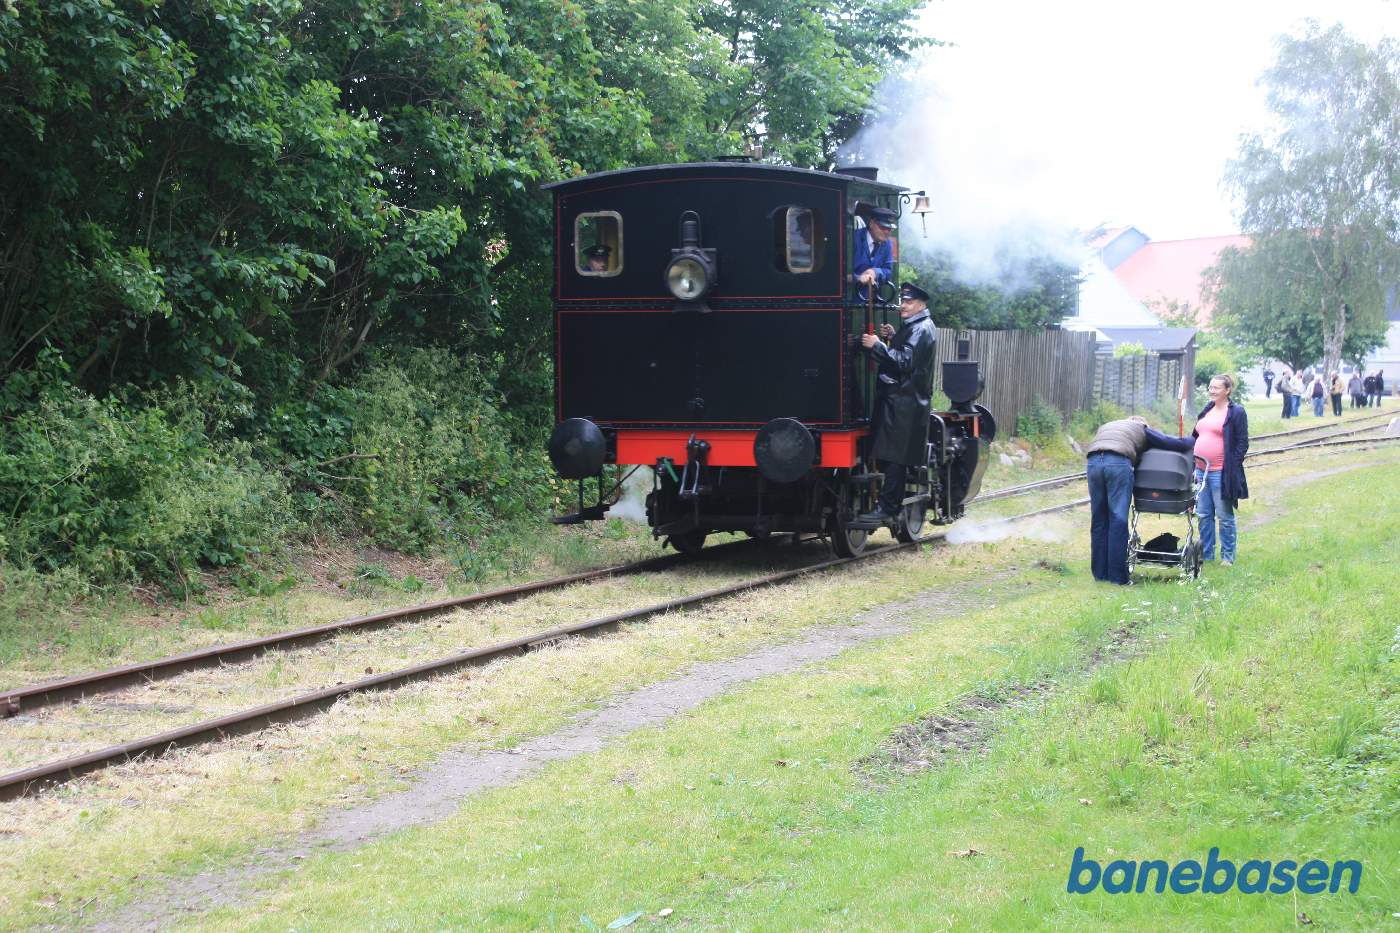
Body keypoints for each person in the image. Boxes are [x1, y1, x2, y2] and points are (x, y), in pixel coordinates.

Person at [855, 282, 936, 525]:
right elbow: (906, 353)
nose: (904, 305)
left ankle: (887, 509)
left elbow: (904, 362)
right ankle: (887, 506)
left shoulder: (921, 329)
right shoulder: (917, 327)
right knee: (891, 458)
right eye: (903, 301)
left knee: (895, 459)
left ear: (921, 304)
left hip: (904, 404)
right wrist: (893, 336)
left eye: (909, 302)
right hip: (902, 402)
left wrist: (877, 346)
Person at [1083, 416, 1195, 586]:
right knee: (1118, 520)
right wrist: (1192, 438)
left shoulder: (1108, 426)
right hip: (1118, 464)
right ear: (1143, 424)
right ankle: (1118, 578)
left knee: (1099, 520)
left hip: (1093, 463)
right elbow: (1173, 444)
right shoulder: (1141, 429)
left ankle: (1100, 574)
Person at [1191, 374, 1249, 566]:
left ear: (1227, 390)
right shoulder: (1208, 409)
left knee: (1224, 516)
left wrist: (1231, 465)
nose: (1212, 391)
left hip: (1220, 472)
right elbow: (1197, 434)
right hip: (1201, 472)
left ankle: (1227, 556)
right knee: (1204, 515)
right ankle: (1207, 554)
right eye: (1210, 387)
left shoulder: (1236, 412)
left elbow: (1242, 442)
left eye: (1216, 388)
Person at [852, 206, 895, 302]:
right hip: (850, 300)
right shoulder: (853, 239)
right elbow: (840, 273)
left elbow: (888, 271)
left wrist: (875, 272)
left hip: (872, 302)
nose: (887, 232)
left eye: (889, 228)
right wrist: (859, 278)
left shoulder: (887, 243)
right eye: (883, 227)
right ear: (871, 224)